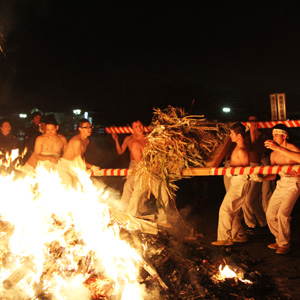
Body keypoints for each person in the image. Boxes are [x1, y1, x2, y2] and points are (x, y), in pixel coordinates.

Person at [254, 124, 300, 254]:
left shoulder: (293, 149)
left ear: (284, 136)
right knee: (270, 214)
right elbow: (273, 174)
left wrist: (278, 148)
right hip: (281, 183)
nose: (273, 137)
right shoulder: (273, 155)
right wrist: (260, 179)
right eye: (272, 135)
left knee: (282, 214)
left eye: (276, 135)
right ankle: (279, 239)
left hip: (294, 183)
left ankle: (285, 245)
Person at [212, 122, 250, 246]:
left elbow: (246, 170)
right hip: (236, 180)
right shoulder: (237, 147)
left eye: (232, 134)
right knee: (232, 210)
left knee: (225, 209)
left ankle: (225, 238)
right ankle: (239, 235)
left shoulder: (242, 149)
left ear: (239, 135)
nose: (230, 136)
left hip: (240, 181)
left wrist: (234, 173)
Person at [112, 120, 148, 210]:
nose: (139, 128)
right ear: (132, 128)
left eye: (140, 125)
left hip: (143, 164)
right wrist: (116, 140)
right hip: (133, 164)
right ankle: (123, 208)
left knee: (140, 186)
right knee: (128, 185)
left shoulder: (146, 138)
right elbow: (120, 152)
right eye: (136, 126)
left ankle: (138, 208)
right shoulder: (128, 139)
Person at [242, 116, 269, 233]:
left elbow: (254, 146)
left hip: (256, 167)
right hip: (245, 168)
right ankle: (251, 224)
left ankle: (263, 222)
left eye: (254, 121)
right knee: (245, 199)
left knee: (250, 199)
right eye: (250, 121)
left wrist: (253, 132)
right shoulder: (245, 136)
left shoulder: (262, 136)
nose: (251, 123)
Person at [56, 118, 101, 187]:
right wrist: (91, 167)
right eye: (86, 127)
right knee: (67, 189)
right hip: (65, 166)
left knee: (78, 188)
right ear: (80, 129)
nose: (89, 129)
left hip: (74, 165)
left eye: (90, 127)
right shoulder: (77, 141)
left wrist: (86, 167)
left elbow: (80, 157)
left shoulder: (86, 141)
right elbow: (78, 159)